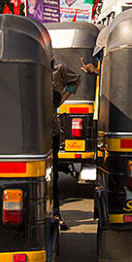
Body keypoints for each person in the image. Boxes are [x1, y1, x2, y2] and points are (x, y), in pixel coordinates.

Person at [51, 61, 81, 229]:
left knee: (54, 174)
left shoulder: (58, 70)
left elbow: (76, 80)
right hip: (30, 131)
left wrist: (61, 100)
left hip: (51, 129)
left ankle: (56, 212)